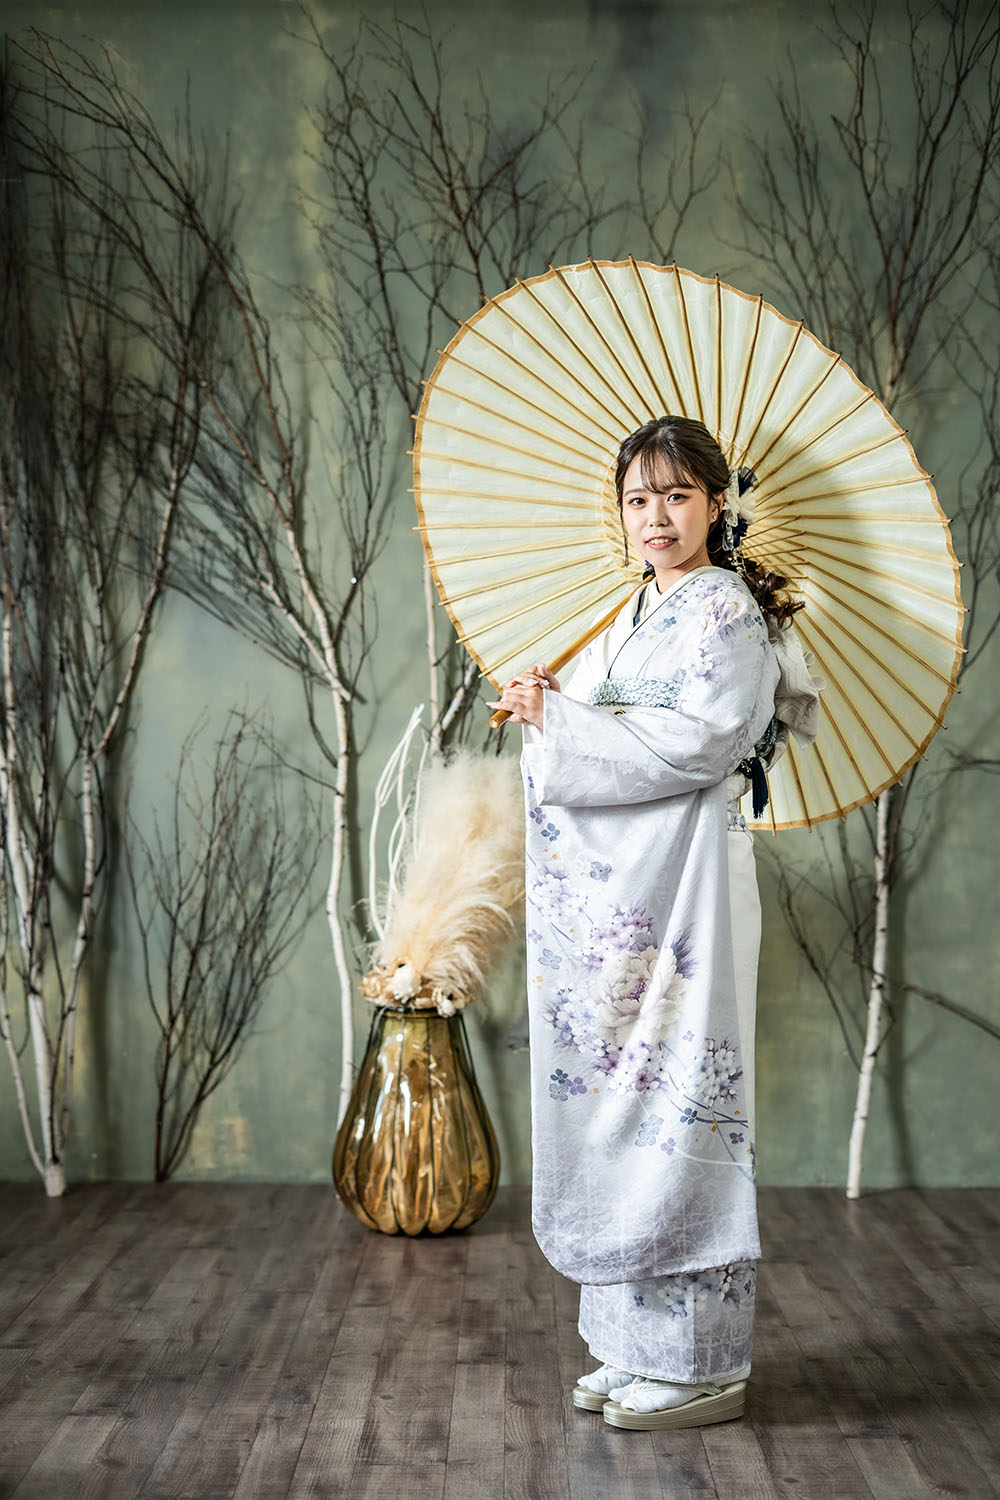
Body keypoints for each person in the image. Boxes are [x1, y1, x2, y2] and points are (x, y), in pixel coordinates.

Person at [490, 415, 820, 1432]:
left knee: (680, 1100)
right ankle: (630, 1345)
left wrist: (564, 724)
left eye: (677, 496)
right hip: (625, 896)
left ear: (716, 504)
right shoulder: (634, 609)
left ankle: (700, 1363)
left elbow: (700, 743)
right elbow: (593, 730)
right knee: (616, 1100)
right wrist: (545, 699)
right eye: (638, 499)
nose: (656, 517)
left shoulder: (725, 611)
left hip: (687, 882)